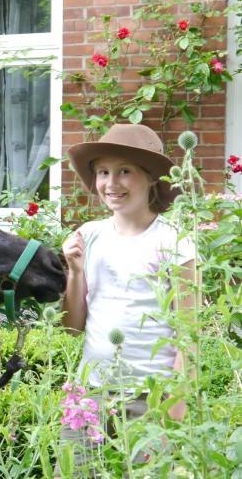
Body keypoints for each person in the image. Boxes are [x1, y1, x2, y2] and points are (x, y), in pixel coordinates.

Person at [60, 123, 196, 469]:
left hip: (149, 399)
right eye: (103, 172)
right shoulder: (89, 236)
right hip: (89, 395)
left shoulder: (175, 243)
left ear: (150, 177)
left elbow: (189, 335)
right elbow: (72, 329)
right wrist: (75, 272)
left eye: (124, 171)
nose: (111, 183)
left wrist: (174, 411)